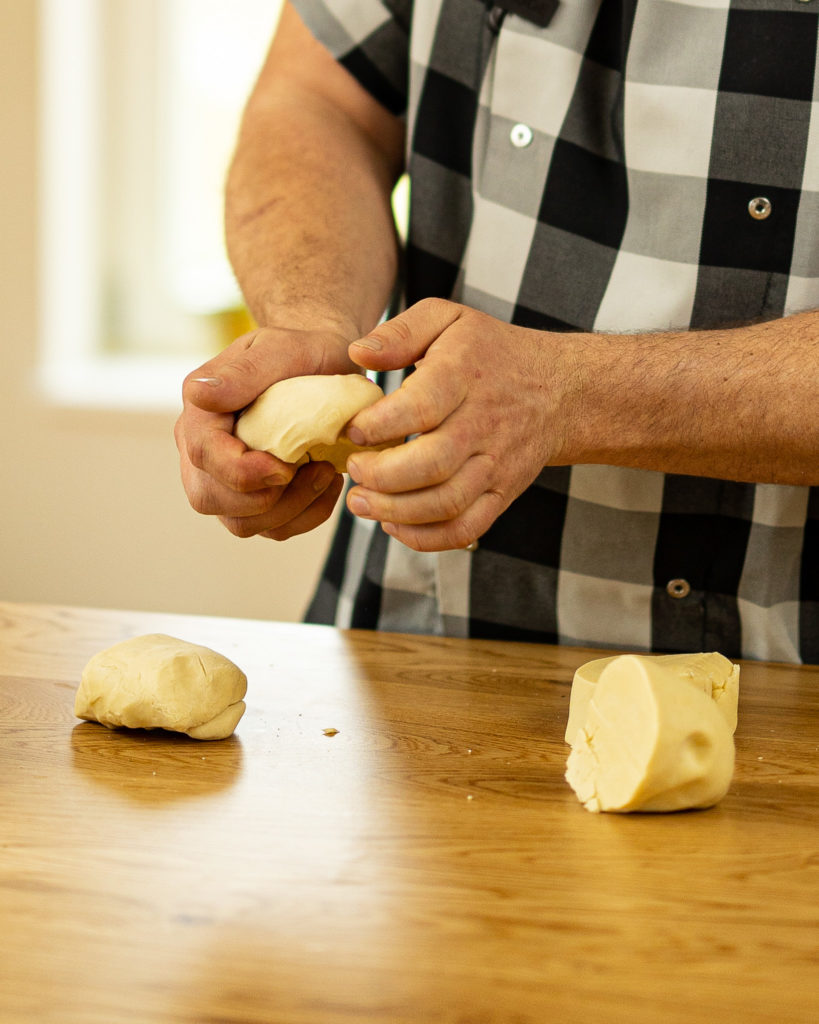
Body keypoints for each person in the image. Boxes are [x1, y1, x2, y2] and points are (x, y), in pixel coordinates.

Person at [175, 0, 819, 663]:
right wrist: (312, 322)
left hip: (787, 670)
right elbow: (319, 99)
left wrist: (568, 394)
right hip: (407, 638)